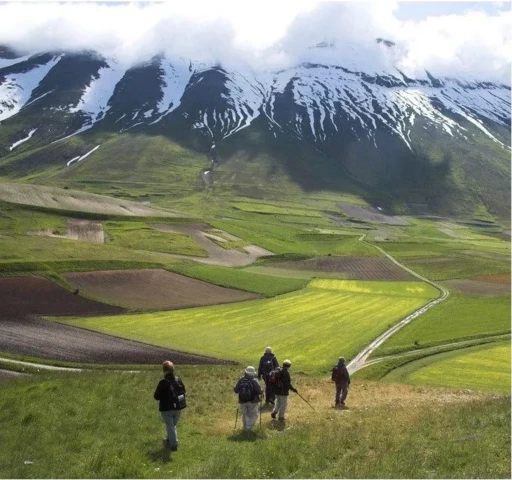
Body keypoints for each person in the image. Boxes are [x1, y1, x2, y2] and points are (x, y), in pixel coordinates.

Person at [154, 361, 187, 451]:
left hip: (166, 408)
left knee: (170, 425)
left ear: (164, 371)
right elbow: (184, 391)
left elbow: (156, 397)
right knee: (172, 425)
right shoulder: (178, 380)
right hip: (178, 408)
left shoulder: (163, 382)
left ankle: (173, 444)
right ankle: (169, 439)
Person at [233, 366, 263, 432]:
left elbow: (236, 390)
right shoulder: (254, 381)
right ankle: (248, 429)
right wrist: (262, 390)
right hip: (253, 401)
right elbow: (259, 391)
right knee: (253, 415)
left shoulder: (241, 380)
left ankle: (245, 427)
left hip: (242, 401)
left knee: (245, 414)